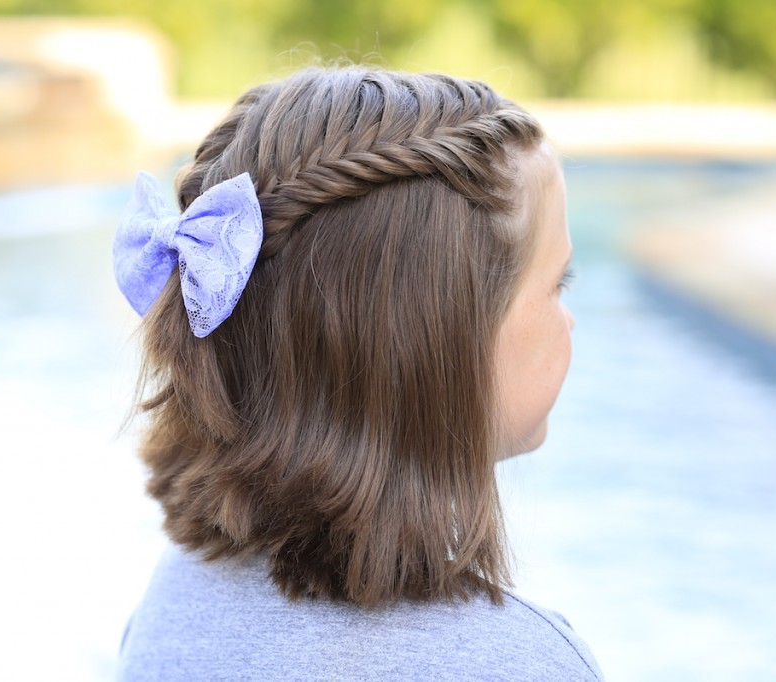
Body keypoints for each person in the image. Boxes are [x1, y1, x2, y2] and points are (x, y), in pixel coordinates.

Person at [113, 67, 601, 681]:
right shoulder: (518, 664)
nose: (571, 319)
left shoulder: (177, 595)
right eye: (557, 284)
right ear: (432, 344)